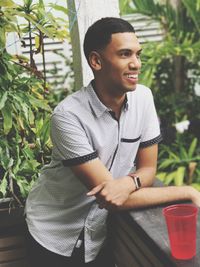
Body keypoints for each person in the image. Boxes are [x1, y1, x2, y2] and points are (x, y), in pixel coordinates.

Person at [25, 17, 200, 267]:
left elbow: (148, 169)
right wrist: (187, 191)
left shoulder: (143, 98)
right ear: (96, 61)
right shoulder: (67, 117)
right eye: (125, 54)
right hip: (54, 234)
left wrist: (131, 181)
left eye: (138, 54)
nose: (136, 64)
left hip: (100, 234)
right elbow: (110, 197)